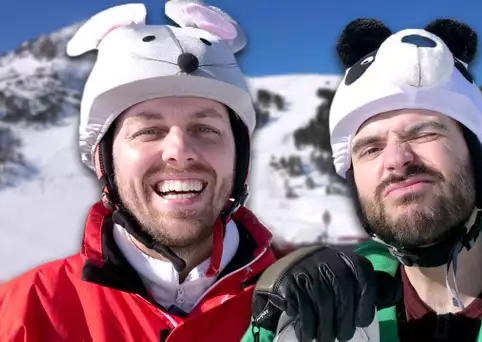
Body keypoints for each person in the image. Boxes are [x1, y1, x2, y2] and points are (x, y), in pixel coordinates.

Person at [242, 18, 482, 342]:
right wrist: (274, 329)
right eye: (370, 149)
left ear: (477, 157)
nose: (397, 160)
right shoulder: (325, 322)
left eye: (424, 134)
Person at [0, 2, 277, 341]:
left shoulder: (310, 301)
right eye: (148, 131)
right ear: (105, 160)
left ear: (240, 157)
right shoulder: (24, 312)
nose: (180, 152)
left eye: (206, 129)